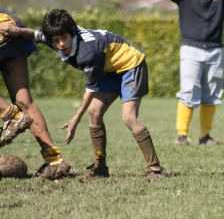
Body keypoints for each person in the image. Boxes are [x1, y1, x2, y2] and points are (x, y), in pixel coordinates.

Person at [2, 9, 170, 180]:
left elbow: (90, 91)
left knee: (128, 117)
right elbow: (35, 34)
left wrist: (74, 120)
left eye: (64, 39)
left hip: (131, 65)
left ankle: (155, 169)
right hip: (109, 69)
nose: (60, 44)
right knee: (94, 113)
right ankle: (100, 167)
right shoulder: (54, 36)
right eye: (56, 40)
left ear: (72, 33)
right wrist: (16, 31)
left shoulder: (87, 52)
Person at [159, 0, 224, 145]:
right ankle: (182, 135)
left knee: (211, 95)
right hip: (190, 50)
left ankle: (204, 136)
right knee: (188, 92)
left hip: (215, 51)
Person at [0, 9, 70, 179]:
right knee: (24, 100)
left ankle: (13, 115)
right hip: (10, 22)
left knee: (20, 109)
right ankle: (55, 161)